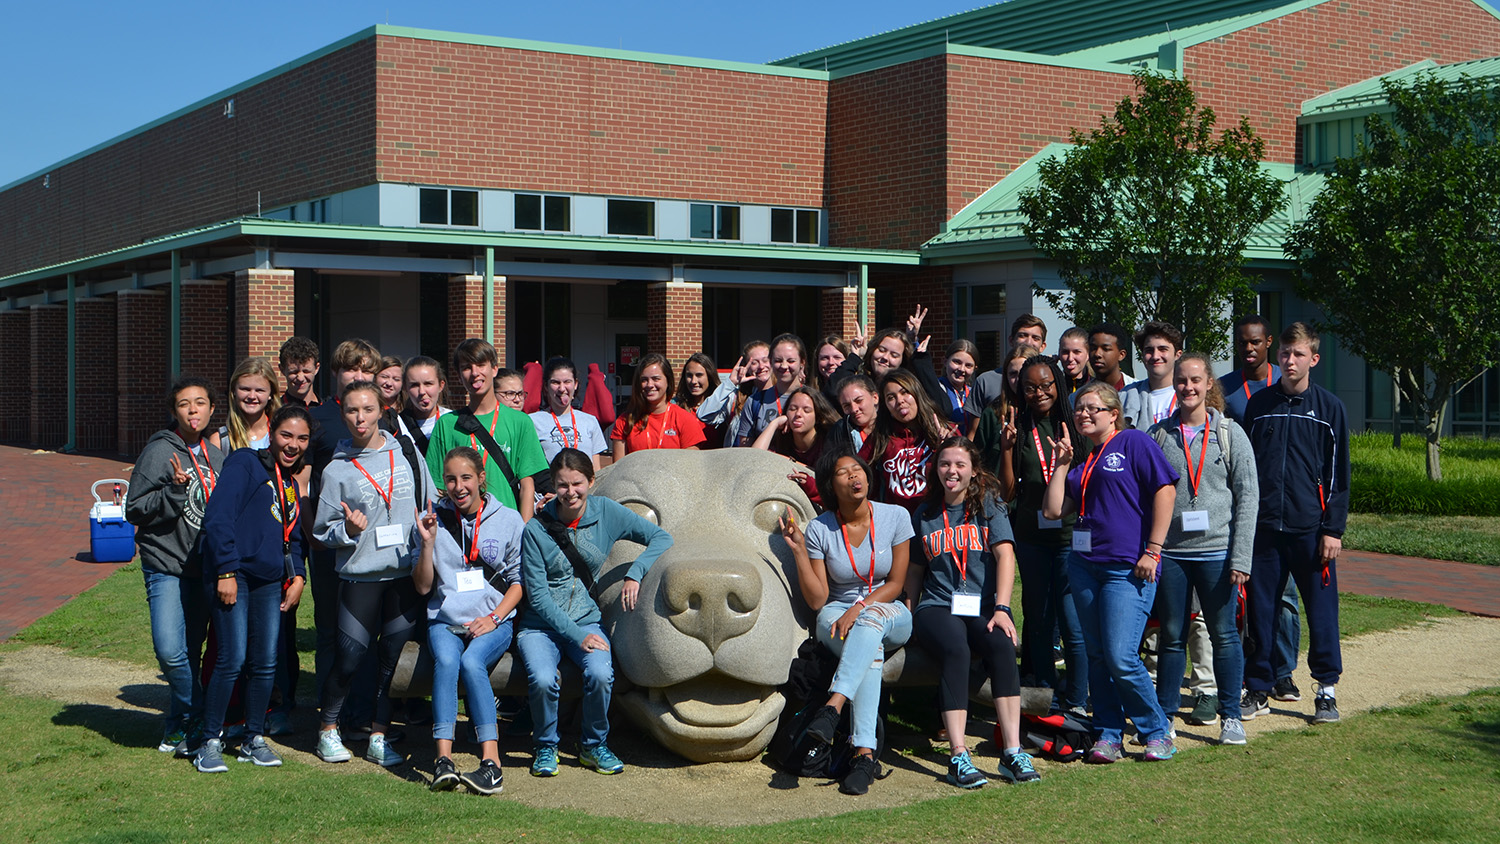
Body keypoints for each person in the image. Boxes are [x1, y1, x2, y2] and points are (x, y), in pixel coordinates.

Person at [1042, 382, 1179, 763]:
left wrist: (1154, 549)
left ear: (1113, 412)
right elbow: (1054, 511)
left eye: (1092, 408)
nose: (1084, 414)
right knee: (1098, 656)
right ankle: (1109, 734)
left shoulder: (1133, 443)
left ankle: (1157, 730)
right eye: (1079, 409)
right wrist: (1063, 464)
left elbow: (1165, 490)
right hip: (1085, 566)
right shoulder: (1085, 460)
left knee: (1121, 656)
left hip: (1128, 568)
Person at [517, 449, 673, 777]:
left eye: (577, 483)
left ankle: (593, 745)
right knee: (545, 679)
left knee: (601, 674)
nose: (570, 492)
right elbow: (539, 598)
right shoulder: (535, 530)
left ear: (591, 481)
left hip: (585, 617)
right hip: (539, 626)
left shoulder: (607, 513)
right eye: (562, 485)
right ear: (554, 487)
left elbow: (660, 537)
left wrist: (636, 572)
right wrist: (578, 636)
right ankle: (545, 745)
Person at [779, 451, 913, 796]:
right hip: (835, 614)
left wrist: (860, 607)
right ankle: (864, 756)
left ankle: (833, 706)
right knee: (871, 653)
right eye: (844, 472)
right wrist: (797, 551)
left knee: (869, 622)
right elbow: (817, 600)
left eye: (859, 470)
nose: (854, 477)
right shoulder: (820, 528)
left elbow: (896, 583)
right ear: (830, 485)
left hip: (887, 609)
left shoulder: (895, 516)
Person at [907, 437, 1039, 787]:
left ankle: (1012, 751)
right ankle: (958, 755)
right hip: (937, 606)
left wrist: (1002, 608)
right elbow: (916, 572)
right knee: (957, 649)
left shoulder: (989, 505)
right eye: (945, 464)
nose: (952, 471)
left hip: (981, 606)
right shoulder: (925, 513)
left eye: (959, 464)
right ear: (936, 469)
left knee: (1001, 645)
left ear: (973, 470)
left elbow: (1006, 555)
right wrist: (908, 613)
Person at [312, 380, 429, 767]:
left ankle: (379, 736)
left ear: (382, 410)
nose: (359, 418)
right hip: (361, 578)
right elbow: (321, 531)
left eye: (367, 409)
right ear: (342, 413)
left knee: (389, 663)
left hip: (403, 576)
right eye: (351, 410)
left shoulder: (407, 452)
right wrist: (349, 530)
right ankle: (328, 731)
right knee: (348, 660)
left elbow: (427, 502)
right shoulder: (336, 469)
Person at [1240, 322, 1349, 725]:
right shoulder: (1259, 404)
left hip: (1312, 531)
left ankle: (1326, 690)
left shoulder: (1330, 408)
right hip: (1264, 530)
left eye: (1298, 354)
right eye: (1285, 353)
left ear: (1313, 359)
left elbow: (1339, 475)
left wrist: (1333, 529)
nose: (1289, 360)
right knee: (1260, 611)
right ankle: (1259, 686)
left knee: (1321, 612)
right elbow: (1245, 470)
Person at [1147, 353, 1258, 746]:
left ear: (1210, 383)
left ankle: (1231, 715)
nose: (1188, 387)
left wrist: (1241, 557)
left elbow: (1248, 498)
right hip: (1173, 555)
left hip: (1217, 553)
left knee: (1224, 634)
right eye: (1182, 381)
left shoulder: (1230, 434)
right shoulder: (1159, 435)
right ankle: (1165, 717)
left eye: (1196, 380)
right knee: (1172, 636)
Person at [194, 405, 311, 772]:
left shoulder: (289, 481)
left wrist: (299, 577)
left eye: (302, 438)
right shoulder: (245, 463)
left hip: (270, 581)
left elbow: (292, 536)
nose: (293, 445)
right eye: (286, 436)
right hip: (237, 577)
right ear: (272, 433)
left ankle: (253, 737)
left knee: (266, 662)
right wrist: (226, 571)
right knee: (232, 658)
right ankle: (210, 740)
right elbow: (218, 518)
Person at [413, 446, 525, 796]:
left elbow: (519, 583)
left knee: (473, 662)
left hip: (493, 618)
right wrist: (428, 544)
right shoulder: (432, 519)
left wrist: (493, 618)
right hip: (445, 618)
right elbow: (422, 586)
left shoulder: (508, 520)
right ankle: (442, 761)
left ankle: (491, 763)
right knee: (447, 661)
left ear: (481, 479)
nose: (458, 486)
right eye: (450, 479)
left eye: (465, 478)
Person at [125, 376, 224, 755]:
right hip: (166, 563)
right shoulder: (160, 451)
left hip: (203, 568)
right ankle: (196, 711)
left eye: (200, 403)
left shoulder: (217, 457)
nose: (193, 410)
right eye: (185, 404)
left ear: (212, 410)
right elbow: (134, 508)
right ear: (174, 411)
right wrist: (173, 492)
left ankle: (177, 724)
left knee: (191, 648)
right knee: (169, 650)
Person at [991, 357, 1090, 713]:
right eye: (1030, 387)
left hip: (1072, 539)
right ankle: (1044, 693)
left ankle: (1078, 698)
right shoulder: (1017, 428)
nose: (1039, 393)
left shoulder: (1077, 424)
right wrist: (1005, 449)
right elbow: (1005, 494)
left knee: (1073, 622)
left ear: (1058, 384)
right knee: (1038, 618)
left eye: (1046, 384)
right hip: (1031, 538)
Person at [1219, 314, 1300, 704]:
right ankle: (1256, 671)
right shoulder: (1225, 388)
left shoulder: (1283, 384)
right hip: (1240, 505)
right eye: (1242, 343)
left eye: (1256, 342)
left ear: (1269, 342)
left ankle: (1284, 672)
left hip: (1282, 506)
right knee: (1252, 597)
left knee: (1284, 598)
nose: (1248, 349)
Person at [425, 339, 547, 520]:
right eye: (466, 367)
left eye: (481, 365)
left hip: (507, 524)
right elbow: (437, 487)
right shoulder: (447, 424)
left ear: (494, 369)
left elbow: (527, 485)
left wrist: (524, 531)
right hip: (461, 528)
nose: (475, 373)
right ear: (459, 375)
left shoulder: (521, 421)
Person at [870, 369, 949, 513]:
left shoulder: (943, 431)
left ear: (916, 393)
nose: (900, 401)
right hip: (897, 523)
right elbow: (860, 471)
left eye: (905, 392)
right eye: (890, 397)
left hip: (935, 519)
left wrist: (946, 450)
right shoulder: (880, 437)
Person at [751, 385, 841, 509]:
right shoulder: (782, 438)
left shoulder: (829, 441)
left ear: (818, 417)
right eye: (792, 409)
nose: (798, 414)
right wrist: (773, 424)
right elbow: (752, 457)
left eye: (806, 410)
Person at [610, 353, 707, 458]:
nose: (650, 385)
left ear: (668, 381)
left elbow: (691, 466)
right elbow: (618, 468)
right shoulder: (624, 421)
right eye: (644, 380)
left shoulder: (686, 420)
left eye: (656, 379)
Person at [963, 314, 1049, 424]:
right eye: (1023, 335)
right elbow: (973, 433)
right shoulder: (985, 381)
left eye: (1035, 338)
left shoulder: (1050, 382)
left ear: (1043, 346)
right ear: (1011, 340)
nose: (1028, 342)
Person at [530, 357, 609, 470]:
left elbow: (596, 470)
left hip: (583, 487)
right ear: (546, 386)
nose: (562, 388)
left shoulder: (590, 421)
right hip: (551, 486)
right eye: (555, 382)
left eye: (567, 382)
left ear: (575, 384)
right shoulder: (533, 421)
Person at [733, 333, 808, 446]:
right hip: (763, 462)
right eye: (778, 360)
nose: (784, 366)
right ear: (771, 361)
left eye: (791, 361)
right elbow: (746, 453)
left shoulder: (814, 399)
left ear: (802, 362)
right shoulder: (754, 402)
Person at [1120, 321, 1184, 429]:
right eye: (1149, 350)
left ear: (1177, 355)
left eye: (1163, 349)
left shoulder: (1192, 394)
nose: (1155, 356)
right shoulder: (1124, 396)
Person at [968, 344, 1040, 441]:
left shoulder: (1048, 412)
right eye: (1013, 374)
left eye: (1024, 372)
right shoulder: (992, 414)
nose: (1018, 379)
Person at [215, 357, 282, 452]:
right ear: (234, 390)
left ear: (271, 394)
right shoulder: (220, 441)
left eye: (259, 390)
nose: (252, 396)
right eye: (245, 389)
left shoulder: (284, 436)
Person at [673, 352, 732, 448]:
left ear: (709, 376)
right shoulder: (676, 406)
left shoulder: (722, 406)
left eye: (699, 375)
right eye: (689, 375)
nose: (693, 381)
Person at [400, 355, 450, 456]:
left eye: (428, 384)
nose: (422, 391)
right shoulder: (398, 425)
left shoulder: (453, 421)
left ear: (441, 385)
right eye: (414, 385)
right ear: (405, 387)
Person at [936, 339, 979, 432]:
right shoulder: (936, 388)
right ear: (945, 361)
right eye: (957, 362)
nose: (962, 369)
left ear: (974, 369)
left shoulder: (975, 393)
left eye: (968, 365)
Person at [279, 337, 322, 407]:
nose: (300, 378)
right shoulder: (275, 412)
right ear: (282, 370)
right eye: (294, 372)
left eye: (306, 371)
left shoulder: (328, 410)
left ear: (316, 368)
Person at [1087, 324, 1131, 392]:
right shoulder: (1077, 397)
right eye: (1093, 348)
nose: (1097, 354)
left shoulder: (1137, 392)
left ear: (1121, 355)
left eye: (1106, 349)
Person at [1056, 326, 1093, 406]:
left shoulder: (1097, 387)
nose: (1070, 358)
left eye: (1077, 352)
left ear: (1088, 354)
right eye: (1065, 352)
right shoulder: (1054, 387)